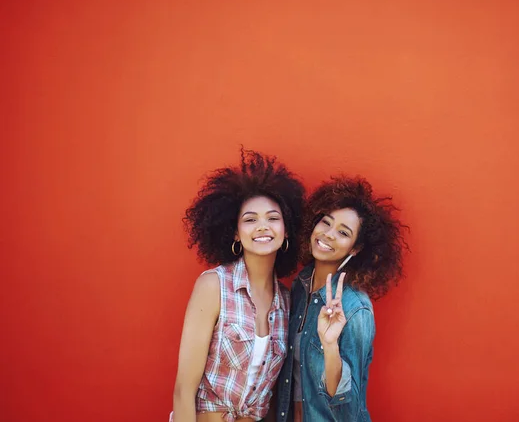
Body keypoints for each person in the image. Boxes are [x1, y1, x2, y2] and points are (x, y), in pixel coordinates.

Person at [172, 149, 304, 422]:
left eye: (272, 218)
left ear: (286, 229)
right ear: (235, 232)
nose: (262, 227)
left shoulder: (287, 301)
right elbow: (184, 391)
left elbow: (271, 398)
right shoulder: (214, 287)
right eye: (250, 219)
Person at [276, 176, 406, 422]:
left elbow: (348, 407)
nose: (329, 235)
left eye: (343, 233)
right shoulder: (299, 288)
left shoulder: (355, 307)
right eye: (326, 222)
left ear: (355, 248)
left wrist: (330, 345)